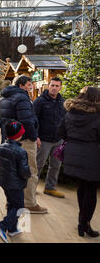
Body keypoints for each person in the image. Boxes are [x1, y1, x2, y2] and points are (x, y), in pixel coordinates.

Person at [57, 86, 100, 238]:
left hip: (73, 154)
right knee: (91, 190)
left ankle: (82, 222)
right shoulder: (97, 115)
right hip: (92, 156)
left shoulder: (70, 111)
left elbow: (61, 131)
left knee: (82, 187)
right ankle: (84, 223)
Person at [1, 75, 45, 214]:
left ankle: (12, 202)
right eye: (28, 84)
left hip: (12, 138)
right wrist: (34, 137)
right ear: (21, 86)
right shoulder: (22, 97)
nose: (31, 86)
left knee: (13, 171)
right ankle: (29, 203)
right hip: (25, 140)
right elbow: (27, 121)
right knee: (30, 171)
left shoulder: (7, 96)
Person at [0, 120, 31, 243]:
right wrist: (28, 175)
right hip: (16, 184)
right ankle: (3, 225)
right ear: (19, 135)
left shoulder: (1, 147)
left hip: (4, 181)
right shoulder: (21, 151)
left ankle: (12, 228)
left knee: (11, 203)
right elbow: (24, 171)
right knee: (19, 206)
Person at [33, 77, 66, 198]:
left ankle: (50, 188)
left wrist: (65, 138)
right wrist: (36, 136)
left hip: (58, 140)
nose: (54, 88)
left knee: (56, 165)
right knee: (38, 165)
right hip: (43, 140)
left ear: (60, 88)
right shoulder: (39, 101)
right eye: (52, 85)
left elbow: (65, 120)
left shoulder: (62, 101)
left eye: (57, 86)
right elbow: (33, 120)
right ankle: (31, 188)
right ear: (48, 86)